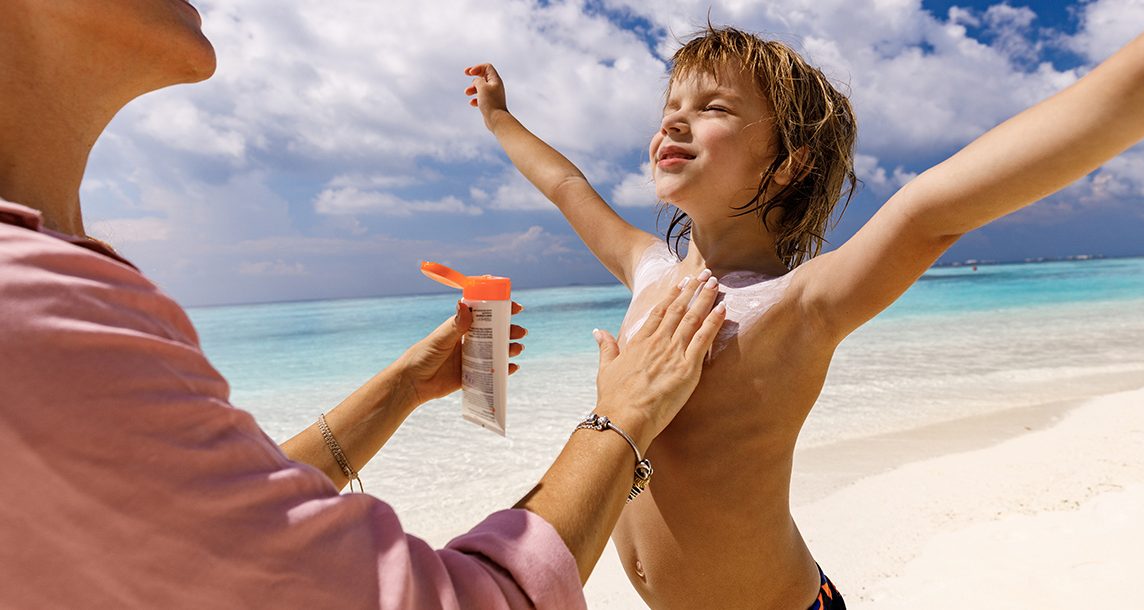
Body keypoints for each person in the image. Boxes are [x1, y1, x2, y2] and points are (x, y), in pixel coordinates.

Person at [465, 1, 1144, 607]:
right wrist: (500, 120)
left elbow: (932, 211)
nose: (675, 120)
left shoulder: (800, 304)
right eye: (671, 105)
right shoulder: (647, 269)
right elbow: (567, 187)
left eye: (713, 107)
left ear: (788, 163)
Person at [0, 1, 728, 608]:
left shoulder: (45, 291)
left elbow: (196, 520)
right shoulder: (30, 310)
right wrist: (621, 420)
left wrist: (405, 384)